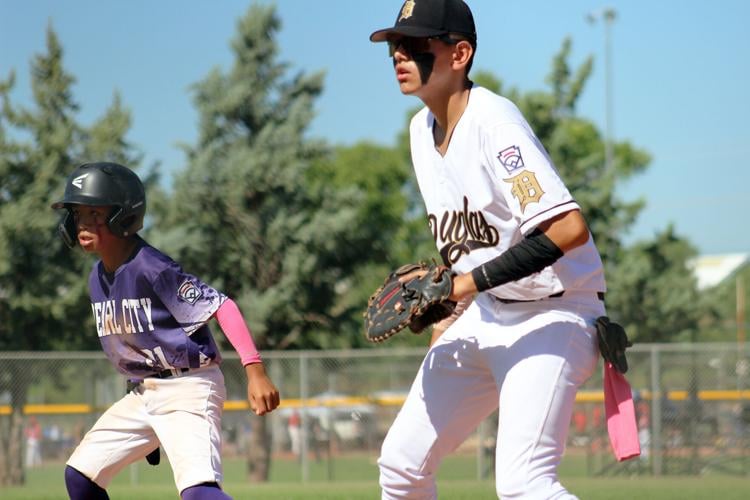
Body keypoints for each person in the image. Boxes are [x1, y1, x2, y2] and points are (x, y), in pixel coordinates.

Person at [370, 1, 608, 498]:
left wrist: (463, 285)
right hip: (484, 311)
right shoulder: (420, 131)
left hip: (554, 314)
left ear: (460, 53)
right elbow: (467, 246)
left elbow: (567, 229)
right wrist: (446, 314)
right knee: (400, 466)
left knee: (524, 485)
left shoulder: (495, 123)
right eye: (395, 46)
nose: (399, 55)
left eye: (416, 45)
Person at [51, 162, 280, 500]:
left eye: (95, 213)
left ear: (122, 215)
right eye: (78, 213)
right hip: (144, 393)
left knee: (198, 494)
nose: (84, 223)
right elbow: (137, 342)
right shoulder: (97, 277)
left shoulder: (152, 267)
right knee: (81, 477)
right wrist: (150, 428)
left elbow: (222, 306)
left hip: (189, 386)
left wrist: (255, 371)